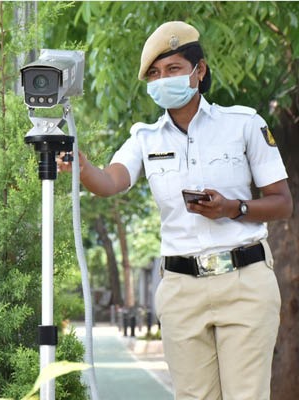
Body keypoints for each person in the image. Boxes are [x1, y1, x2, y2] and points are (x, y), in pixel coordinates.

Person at [59, 21, 293, 400]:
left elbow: (282, 203)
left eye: (172, 69)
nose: (162, 79)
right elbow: (112, 181)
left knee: (246, 395)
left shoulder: (244, 124)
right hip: (181, 288)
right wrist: (83, 167)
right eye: (154, 73)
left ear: (198, 72)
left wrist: (233, 208)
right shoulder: (144, 138)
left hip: (245, 281)